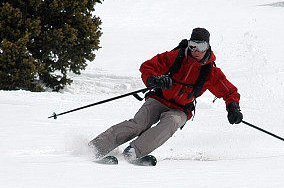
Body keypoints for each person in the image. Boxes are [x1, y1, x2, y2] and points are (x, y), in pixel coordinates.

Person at [89, 27, 243, 164]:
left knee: (172, 122)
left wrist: (233, 107)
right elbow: (147, 67)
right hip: (158, 99)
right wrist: (155, 80)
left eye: (201, 47)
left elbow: (230, 92)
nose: (196, 51)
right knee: (139, 124)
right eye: (193, 46)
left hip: (181, 109)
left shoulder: (211, 72)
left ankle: (133, 152)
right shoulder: (176, 57)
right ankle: (96, 147)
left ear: (208, 47)